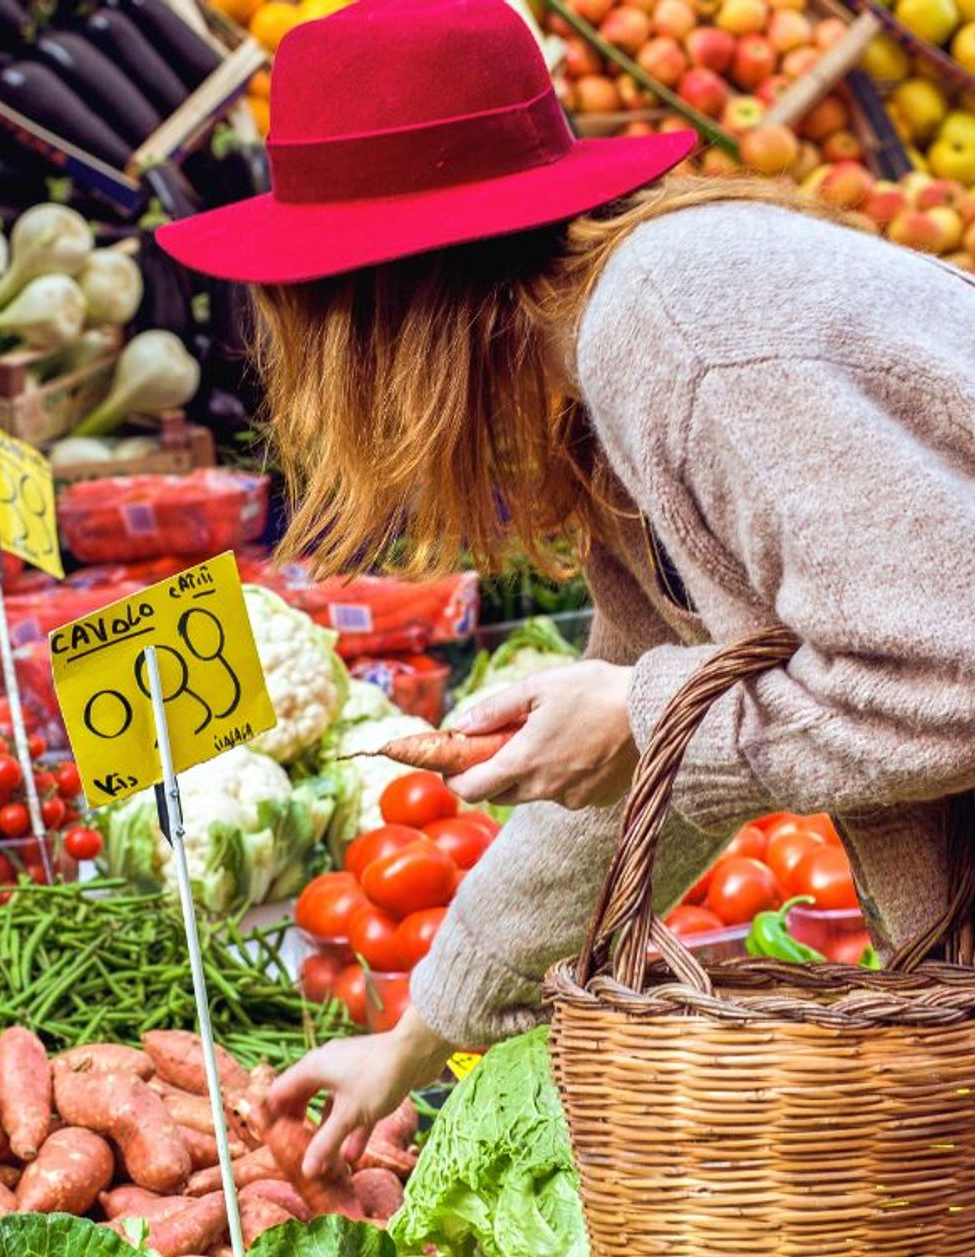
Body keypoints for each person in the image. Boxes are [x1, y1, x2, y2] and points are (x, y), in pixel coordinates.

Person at [159, 0, 975, 1179]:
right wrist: (417, 1039)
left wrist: (648, 713)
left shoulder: (672, 323)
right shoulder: (600, 375)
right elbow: (628, 786)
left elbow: (947, 661)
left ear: (373, 301)